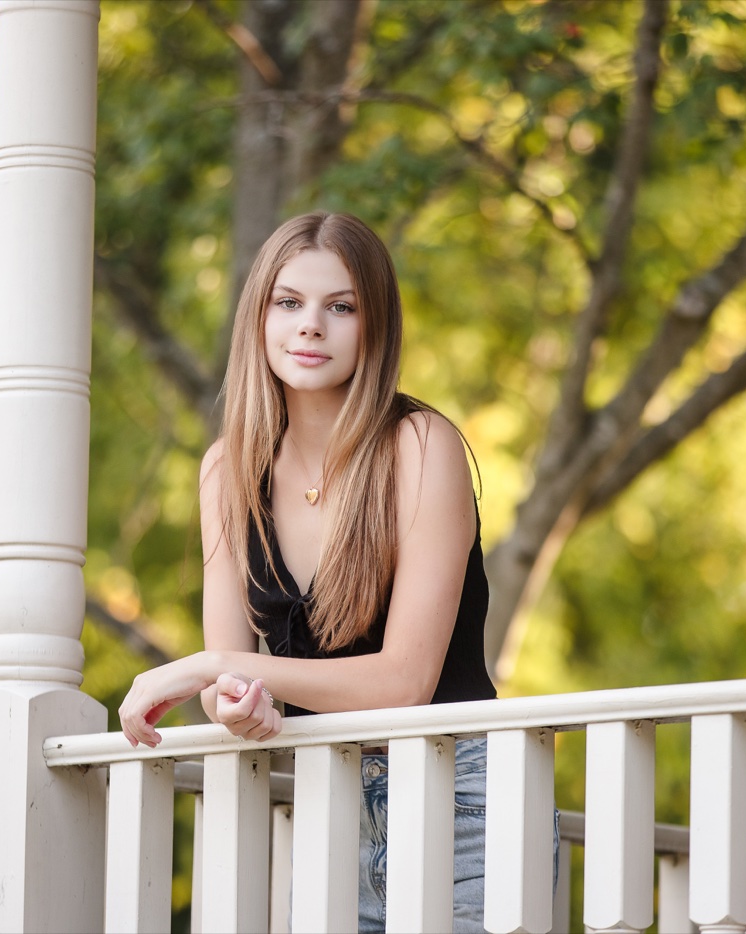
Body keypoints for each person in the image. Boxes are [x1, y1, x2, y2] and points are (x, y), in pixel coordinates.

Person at [118, 211, 531, 932]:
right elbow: (228, 684)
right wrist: (238, 705)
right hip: (323, 806)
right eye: (289, 302)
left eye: (341, 307)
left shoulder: (419, 446)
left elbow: (405, 683)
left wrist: (217, 668)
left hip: (461, 807)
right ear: (259, 317)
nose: (311, 325)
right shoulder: (227, 471)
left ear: (375, 328)